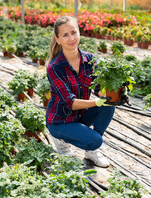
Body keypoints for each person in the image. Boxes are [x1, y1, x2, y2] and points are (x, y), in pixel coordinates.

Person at [46, 15, 129, 167]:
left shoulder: (89, 60)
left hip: (80, 116)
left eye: (74, 32)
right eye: (65, 35)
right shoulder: (55, 68)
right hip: (60, 121)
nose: (71, 38)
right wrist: (96, 102)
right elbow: (70, 103)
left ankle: (91, 152)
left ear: (79, 33)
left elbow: (99, 90)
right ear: (58, 39)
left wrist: (115, 91)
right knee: (95, 140)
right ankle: (62, 139)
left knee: (109, 104)